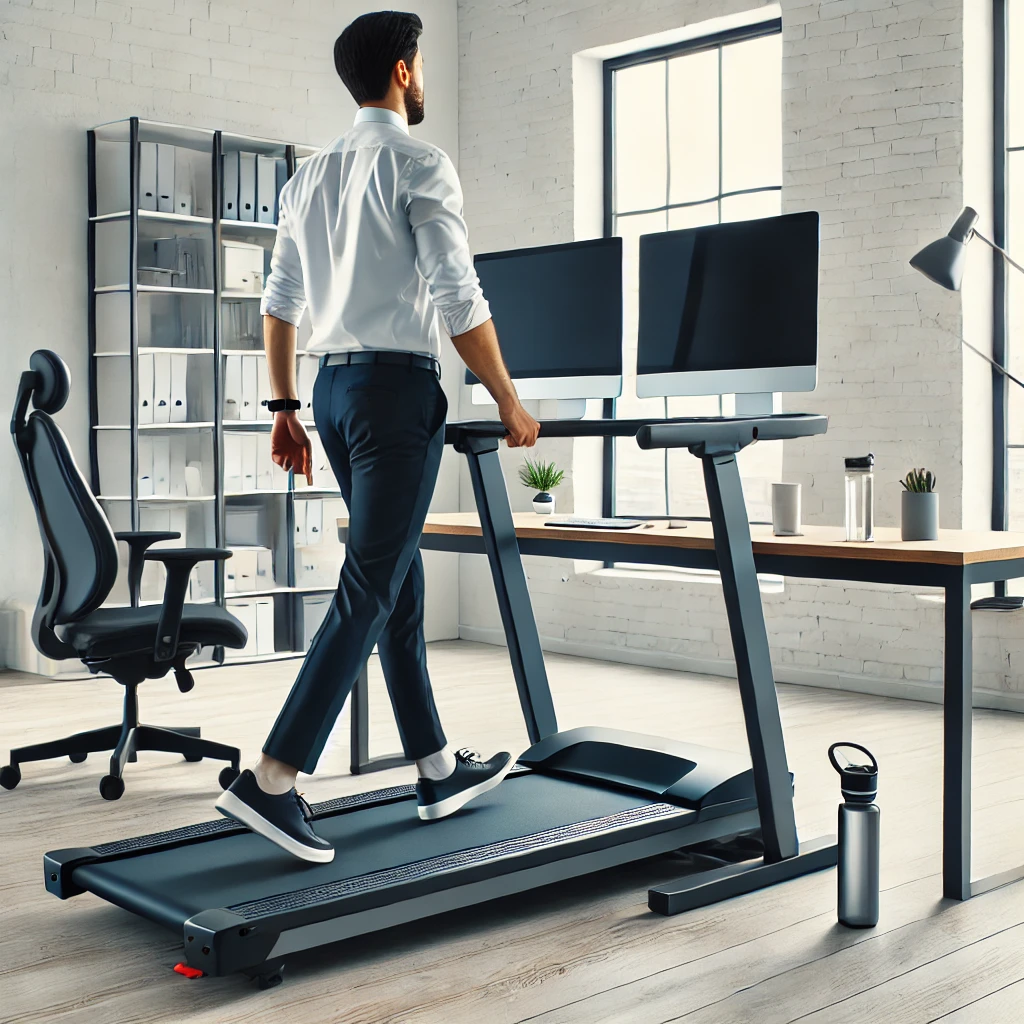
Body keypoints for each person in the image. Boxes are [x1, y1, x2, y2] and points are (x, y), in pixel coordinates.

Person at [215, 11, 540, 863]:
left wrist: (284, 407)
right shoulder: (420, 163)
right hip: (397, 395)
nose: (423, 74)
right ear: (402, 71)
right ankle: (274, 778)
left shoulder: (308, 177)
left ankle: (434, 765)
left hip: (330, 393)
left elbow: (278, 301)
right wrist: (508, 397)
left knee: (395, 572)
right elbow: (457, 295)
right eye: (421, 62)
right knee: (370, 581)